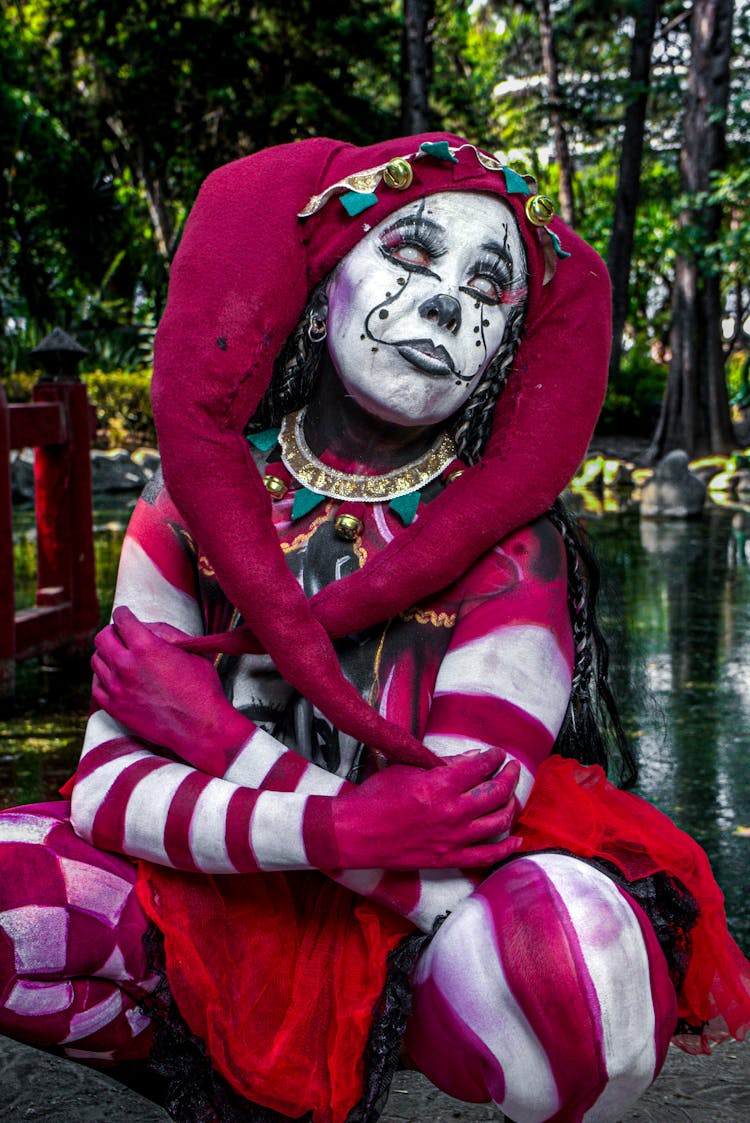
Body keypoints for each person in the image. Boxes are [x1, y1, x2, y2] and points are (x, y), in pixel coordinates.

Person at [0, 134, 748, 1123]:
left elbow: (445, 869)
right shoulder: (188, 501)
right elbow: (108, 789)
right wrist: (346, 823)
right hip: (207, 893)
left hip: (415, 939)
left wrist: (221, 739)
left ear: (500, 358)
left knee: (587, 981)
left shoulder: (514, 551)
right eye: (410, 254)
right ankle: (195, 1048)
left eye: (490, 289)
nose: (447, 302)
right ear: (321, 289)